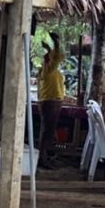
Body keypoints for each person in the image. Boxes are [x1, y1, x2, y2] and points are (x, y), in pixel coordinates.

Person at [36, 33, 66, 168]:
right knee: (47, 131)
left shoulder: (47, 69)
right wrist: (56, 42)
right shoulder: (49, 69)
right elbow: (58, 56)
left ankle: (44, 157)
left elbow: (58, 56)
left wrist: (49, 48)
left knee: (48, 130)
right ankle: (43, 159)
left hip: (50, 101)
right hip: (51, 101)